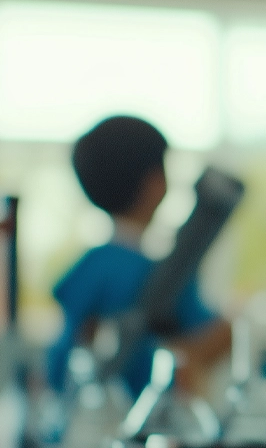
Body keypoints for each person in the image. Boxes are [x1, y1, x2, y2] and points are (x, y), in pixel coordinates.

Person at [46, 116, 231, 398]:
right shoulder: (159, 273)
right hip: (145, 421)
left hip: (84, 415)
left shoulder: (90, 265)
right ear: (155, 183)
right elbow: (212, 337)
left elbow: (64, 353)